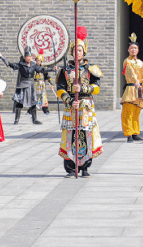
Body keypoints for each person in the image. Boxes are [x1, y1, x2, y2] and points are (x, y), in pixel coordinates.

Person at [57, 27, 103, 177]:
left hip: (86, 106)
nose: (77, 53)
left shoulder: (91, 69)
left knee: (85, 133)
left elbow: (97, 88)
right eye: (75, 50)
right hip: (72, 106)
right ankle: (70, 167)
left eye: (80, 50)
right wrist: (69, 100)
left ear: (84, 52)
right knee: (71, 134)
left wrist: (83, 88)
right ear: (71, 52)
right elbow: (60, 88)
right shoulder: (65, 70)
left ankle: (85, 167)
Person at [0, 48, 44, 125]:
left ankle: (34, 119)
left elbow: (41, 70)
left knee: (33, 102)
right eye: (27, 56)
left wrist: (52, 68)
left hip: (31, 85)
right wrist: (2, 57)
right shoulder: (21, 64)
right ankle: (17, 119)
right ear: (25, 57)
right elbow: (10, 64)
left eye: (30, 56)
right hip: (23, 85)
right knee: (19, 102)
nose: (29, 58)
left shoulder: (33, 65)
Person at [121, 34, 143, 142]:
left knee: (136, 113)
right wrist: (136, 81)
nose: (133, 50)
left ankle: (135, 132)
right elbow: (130, 73)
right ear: (128, 49)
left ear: (138, 50)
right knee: (128, 112)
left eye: (135, 48)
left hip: (139, 90)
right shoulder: (127, 61)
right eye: (132, 48)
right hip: (131, 89)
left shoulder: (141, 63)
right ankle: (128, 134)